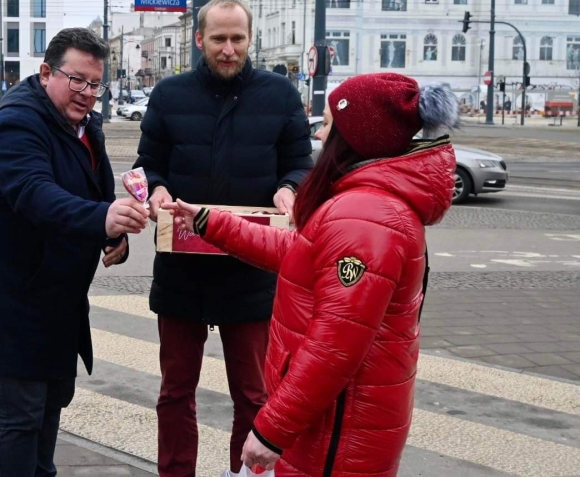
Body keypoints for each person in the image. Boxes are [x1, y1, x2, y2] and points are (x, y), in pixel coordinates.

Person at [165, 73, 459, 476]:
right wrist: (209, 222)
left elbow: (334, 347)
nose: (319, 134)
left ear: (356, 137)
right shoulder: (363, 205)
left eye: (328, 124)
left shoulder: (365, 217)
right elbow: (299, 253)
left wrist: (271, 431)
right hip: (336, 420)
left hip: (336, 432)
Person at [0, 27, 148, 477]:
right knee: (22, 412)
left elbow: (93, 192)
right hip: (12, 298)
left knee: (52, 400)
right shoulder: (17, 124)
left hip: (56, 300)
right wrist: (103, 218)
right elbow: (34, 193)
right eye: (76, 80)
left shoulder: (84, 126)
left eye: (95, 84)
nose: (87, 93)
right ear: (45, 73)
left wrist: (112, 234)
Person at [133, 0, 314, 476]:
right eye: (218, 39)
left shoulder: (280, 95)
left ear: (250, 39)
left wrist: (290, 188)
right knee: (175, 393)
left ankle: (244, 475)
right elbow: (147, 164)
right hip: (181, 270)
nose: (228, 49)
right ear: (200, 40)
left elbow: (301, 163)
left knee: (254, 396)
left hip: (252, 271)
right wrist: (156, 188)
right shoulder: (169, 95)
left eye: (237, 38)